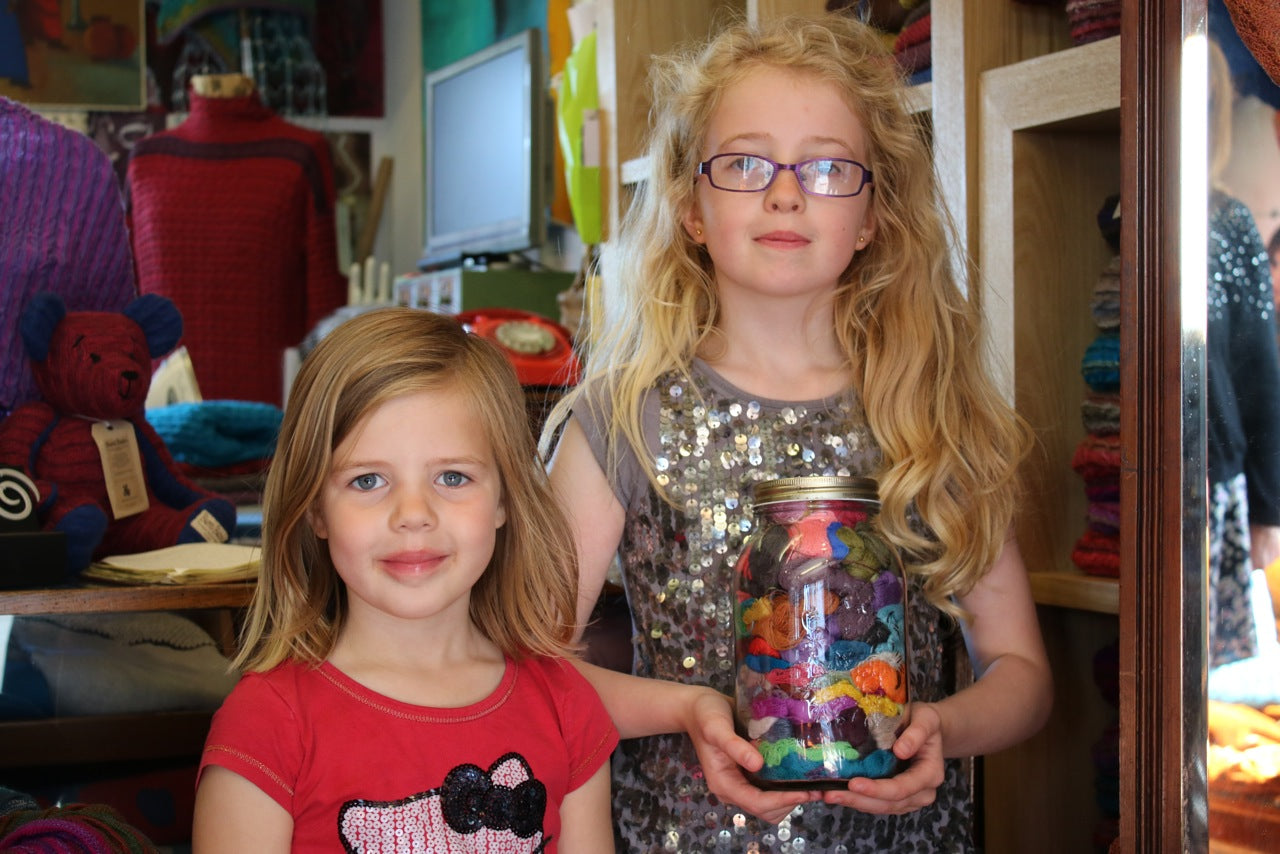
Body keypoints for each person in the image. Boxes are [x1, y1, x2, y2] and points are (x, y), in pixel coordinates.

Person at [543, 13, 1053, 852]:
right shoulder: (622, 420)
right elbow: (533, 669)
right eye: (745, 163)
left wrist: (941, 732)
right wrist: (683, 709)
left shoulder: (928, 412)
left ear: (874, 214)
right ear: (691, 208)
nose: (785, 193)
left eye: (826, 167)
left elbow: (1023, 676)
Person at [192, 308, 618, 853]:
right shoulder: (266, 725)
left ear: (505, 499)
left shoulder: (569, 708)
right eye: (368, 480)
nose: (412, 513)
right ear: (315, 509)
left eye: (452, 477)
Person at [1206, 36, 1280, 667]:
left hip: (1213, 475)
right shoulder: (1121, 210)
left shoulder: (1230, 223)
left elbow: (1261, 371)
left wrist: (1269, 510)